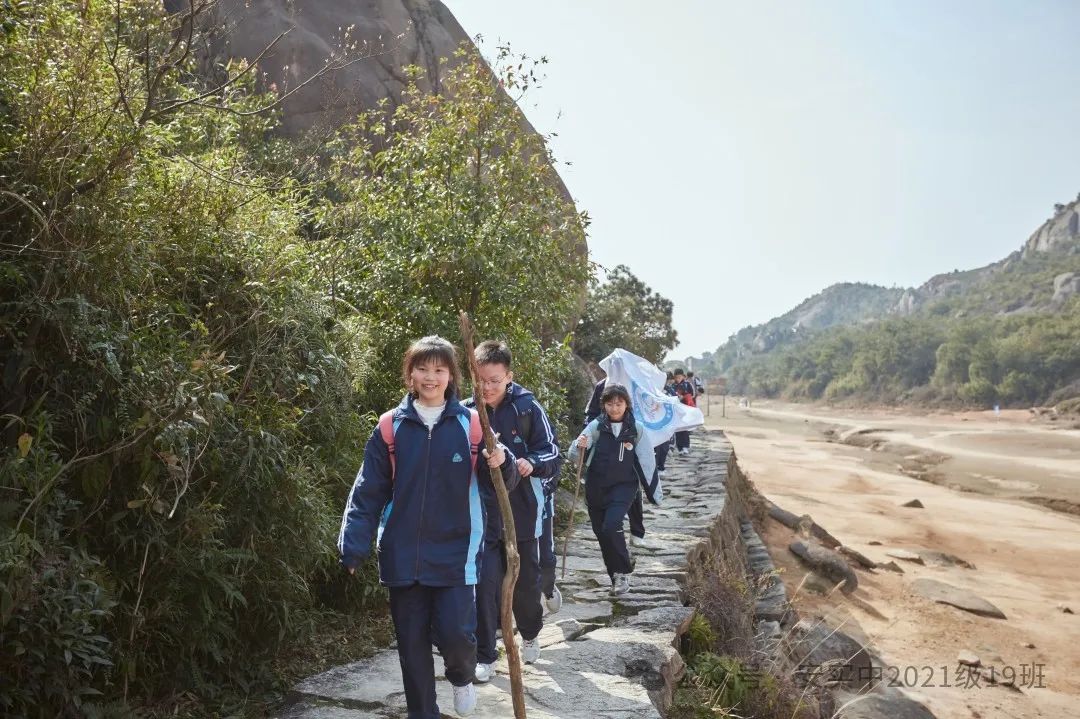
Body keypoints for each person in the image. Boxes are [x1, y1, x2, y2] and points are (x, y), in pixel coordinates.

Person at [338, 336, 519, 718]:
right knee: (411, 646)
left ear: (452, 375)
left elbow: (501, 482)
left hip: (456, 553)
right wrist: (354, 545)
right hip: (402, 555)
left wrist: (500, 461)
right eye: (422, 368)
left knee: (456, 635)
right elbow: (367, 491)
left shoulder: (472, 425)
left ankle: (461, 675)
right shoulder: (390, 427)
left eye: (439, 369)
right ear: (410, 373)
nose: (430, 377)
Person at [464, 340, 563, 680]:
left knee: (523, 583)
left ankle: (531, 633)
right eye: (481, 380)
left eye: (494, 380)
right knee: (485, 584)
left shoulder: (527, 409)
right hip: (483, 515)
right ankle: (486, 656)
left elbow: (553, 454)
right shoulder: (466, 412)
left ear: (509, 376)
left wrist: (531, 462)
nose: (487, 388)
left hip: (522, 511)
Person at [569, 383, 661, 596]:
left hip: (624, 487)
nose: (614, 408)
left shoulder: (636, 429)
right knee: (602, 535)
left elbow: (647, 461)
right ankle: (616, 578)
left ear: (626, 404)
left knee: (612, 526)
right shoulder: (595, 426)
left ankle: (622, 573)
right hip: (596, 487)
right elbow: (574, 457)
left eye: (618, 403)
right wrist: (579, 446)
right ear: (603, 405)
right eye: (609, 404)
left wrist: (655, 493)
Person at [585, 377, 648, 548]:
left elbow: (643, 409)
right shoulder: (601, 385)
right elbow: (591, 412)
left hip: (628, 439)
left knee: (633, 489)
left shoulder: (634, 381)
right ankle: (610, 530)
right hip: (604, 439)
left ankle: (637, 530)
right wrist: (590, 432)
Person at [672, 368, 696, 456]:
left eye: (679, 377)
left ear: (683, 376)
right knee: (677, 429)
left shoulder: (687, 384)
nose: (678, 378)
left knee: (685, 428)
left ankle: (685, 446)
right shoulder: (672, 385)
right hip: (676, 410)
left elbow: (693, 394)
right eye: (676, 377)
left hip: (685, 409)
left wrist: (684, 396)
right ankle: (679, 447)